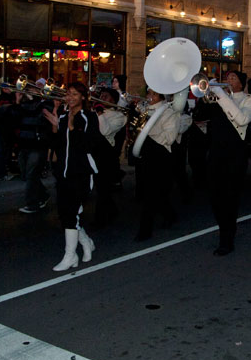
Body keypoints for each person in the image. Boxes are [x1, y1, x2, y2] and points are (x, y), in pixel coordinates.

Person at [43, 83, 98, 271]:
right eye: (68, 94)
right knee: (66, 213)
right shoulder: (64, 116)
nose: (70, 97)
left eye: (75, 94)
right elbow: (57, 145)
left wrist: (73, 127)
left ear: (83, 97)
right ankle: (86, 243)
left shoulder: (89, 117)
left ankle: (70, 255)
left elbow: (86, 145)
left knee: (71, 212)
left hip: (80, 173)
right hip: (63, 173)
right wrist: (54, 127)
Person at [205, 71, 251, 255]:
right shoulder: (219, 98)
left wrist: (220, 95)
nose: (228, 80)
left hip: (235, 156)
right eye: (227, 77)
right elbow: (200, 115)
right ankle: (224, 228)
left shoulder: (250, 101)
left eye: (233, 78)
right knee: (215, 197)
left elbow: (241, 119)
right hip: (216, 154)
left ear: (242, 83)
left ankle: (227, 239)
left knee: (230, 198)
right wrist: (206, 95)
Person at [133, 89, 179, 241]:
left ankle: (145, 231)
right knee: (152, 192)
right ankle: (170, 215)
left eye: (153, 94)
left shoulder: (169, 112)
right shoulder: (144, 110)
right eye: (148, 94)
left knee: (151, 193)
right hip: (146, 153)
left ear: (160, 96)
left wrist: (149, 129)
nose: (149, 97)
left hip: (160, 155)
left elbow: (169, 138)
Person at [12, 89, 53, 214]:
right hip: (24, 144)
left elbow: (37, 114)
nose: (28, 93)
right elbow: (14, 118)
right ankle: (43, 195)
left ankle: (32, 204)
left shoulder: (44, 104)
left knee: (31, 174)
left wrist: (35, 98)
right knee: (27, 173)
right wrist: (18, 101)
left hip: (38, 145)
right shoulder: (24, 105)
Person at [94, 88, 127, 226]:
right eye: (101, 95)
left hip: (107, 156)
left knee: (102, 189)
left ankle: (100, 220)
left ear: (113, 100)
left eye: (106, 96)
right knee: (101, 188)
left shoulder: (119, 116)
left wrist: (100, 112)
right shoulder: (94, 111)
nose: (102, 97)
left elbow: (105, 131)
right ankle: (112, 210)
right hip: (94, 153)